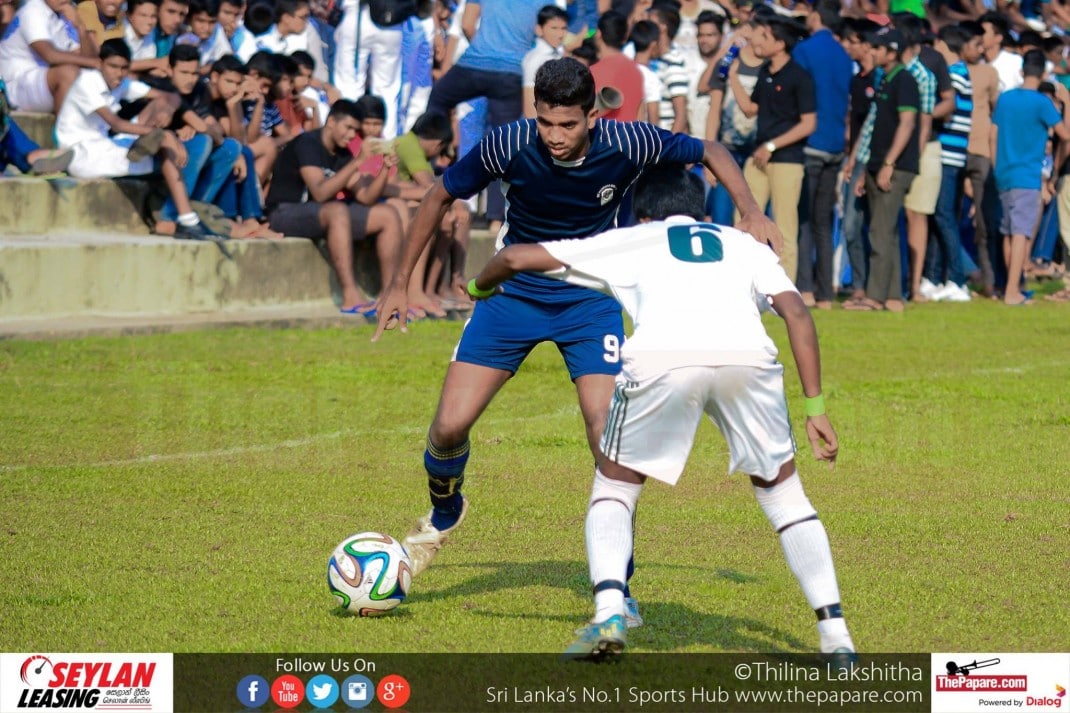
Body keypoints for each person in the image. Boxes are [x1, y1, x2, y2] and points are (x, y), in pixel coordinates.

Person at [371, 57, 783, 626]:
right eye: (547, 124)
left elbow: (711, 149)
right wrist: (398, 285)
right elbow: (441, 195)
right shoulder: (507, 143)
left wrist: (752, 211)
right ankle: (447, 507)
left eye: (568, 124)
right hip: (512, 294)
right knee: (448, 427)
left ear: (593, 114)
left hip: (590, 300)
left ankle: (619, 588)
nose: (556, 137)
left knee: (607, 439)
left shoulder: (629, 141)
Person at [463, 165, 853, 661]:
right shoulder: (743, 244)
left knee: (615, 485)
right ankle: (835, 635)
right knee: (784, 497)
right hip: (748, 360)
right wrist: (815, 406)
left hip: (663, 359)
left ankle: (609, 613)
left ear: (642, 213)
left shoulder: (633, 239)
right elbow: (797, 313)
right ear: (700, 208)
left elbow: (515, 256)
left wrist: (478, 289)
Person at [264, 99, 405, 314]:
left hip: (323, 214)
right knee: (337, 210)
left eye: (355, 131)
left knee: (387, 214)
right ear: (331, 121)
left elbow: (366, 197)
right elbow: (320, 192)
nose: (351, 135)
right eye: (348, 128)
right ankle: (350, 295)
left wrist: (385, 170)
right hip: (284, 212)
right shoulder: (308, 144)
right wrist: (358, 162)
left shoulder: (343, 154)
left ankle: (389, 296)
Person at [848, 27, 920, 313]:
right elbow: (877, 127)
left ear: (892, 52)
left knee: (880, 231)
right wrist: (867, 169)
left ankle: (875, 297)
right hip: (877, 165)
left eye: (878, 48)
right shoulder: (885, 79)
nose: (872, 52)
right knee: (886, 232)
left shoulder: (904, 80)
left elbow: (907, 124)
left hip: (895, 166)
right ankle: (892, 296)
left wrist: (889, 163)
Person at [991, 49, 1070, 305]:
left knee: (1008, 231)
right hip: (1027, 175)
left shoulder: (1006, 98)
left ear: (1023, 70)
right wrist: (1067, 103)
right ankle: (1013, 291)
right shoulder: (1042, 103)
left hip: (1004, 171)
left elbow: (994, 134)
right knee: (1021, 233)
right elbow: (1065, 135)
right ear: (1043, 73)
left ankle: (1014, 285)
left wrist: (996, 166)